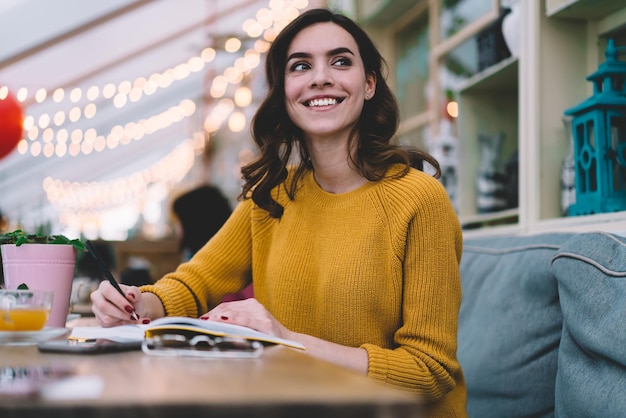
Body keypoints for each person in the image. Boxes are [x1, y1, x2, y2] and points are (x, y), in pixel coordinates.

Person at [91, 8, 466, 416]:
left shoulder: (419, 200)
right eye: (300, 66)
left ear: (369, 84)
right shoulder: (270, 196)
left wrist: (284, 338)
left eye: (341, 61)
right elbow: (196, 280)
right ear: (284, 92)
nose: (320, 77)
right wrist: (140, 302)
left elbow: (429, 372)